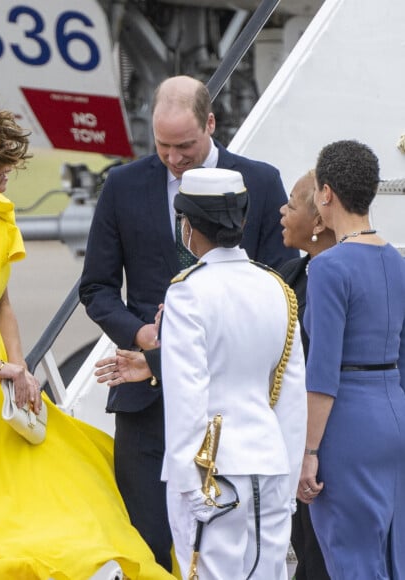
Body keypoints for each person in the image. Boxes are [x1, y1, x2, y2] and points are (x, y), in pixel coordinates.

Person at [0, 101, 175, 580]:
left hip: (5, 377)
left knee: (66, 478)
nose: (6, 177)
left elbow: (1, 303)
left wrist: (19, 368)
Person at [79, 74, 298, 569]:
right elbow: (96, 287)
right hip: (147, 404)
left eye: (185, 146)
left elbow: (281, 285)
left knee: (230, 557)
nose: (174, 159)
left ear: (211, 124)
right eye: (163, 147)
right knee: (150, 547)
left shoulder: (259, 181)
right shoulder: (124, 185)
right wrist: (144, 335)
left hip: (233, 409)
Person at [160, 167, 306, 579]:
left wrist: (190, 486)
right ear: (241, 221)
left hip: (213, 471)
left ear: (188, 225)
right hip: (272, 463)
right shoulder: (276, 287)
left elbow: (187, 395)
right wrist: (289, 474)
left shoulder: (187, 291)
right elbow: (291, 394)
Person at [299, 140, 405, 578]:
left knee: (351, 557)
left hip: (348, 425)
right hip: (393, 416)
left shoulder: (328, 267)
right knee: (391, 555)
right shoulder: (397, 260)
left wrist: (307, 451)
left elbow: (322, 372)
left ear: (326, 193)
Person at [279, 170, 336, 580]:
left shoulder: (349, 275)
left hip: (338, 444)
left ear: (318, 221)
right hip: (298, 444)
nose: (282, 212)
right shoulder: (285, 279)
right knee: (308, 553)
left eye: (292, 204)